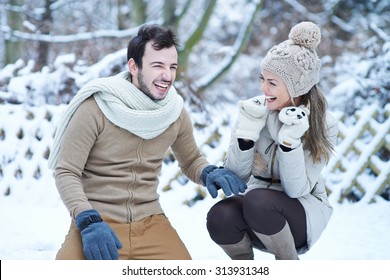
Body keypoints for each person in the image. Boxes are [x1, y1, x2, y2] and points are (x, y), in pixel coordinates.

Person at [48, 24, 246, 260]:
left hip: (151, 222)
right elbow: (66, 171)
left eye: (172, 66)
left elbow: (191, 160)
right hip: (98, 225)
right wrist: (87, 220)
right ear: (134, 66)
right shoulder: (96, 107)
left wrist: (208, 172)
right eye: (158, 66)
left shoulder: (174, 112)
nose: (168, 76)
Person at [206, 21, 338, 260]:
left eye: (272, 83)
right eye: (262, 79)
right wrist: (245, 136)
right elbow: (237, 177)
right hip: (255, 206)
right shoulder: (255, 111)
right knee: (220, 215)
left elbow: (297, 189)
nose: (262, 88)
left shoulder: (323, 124)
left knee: (258, 201)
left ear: (297, 87)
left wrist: (290, 144)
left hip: (301, 212)